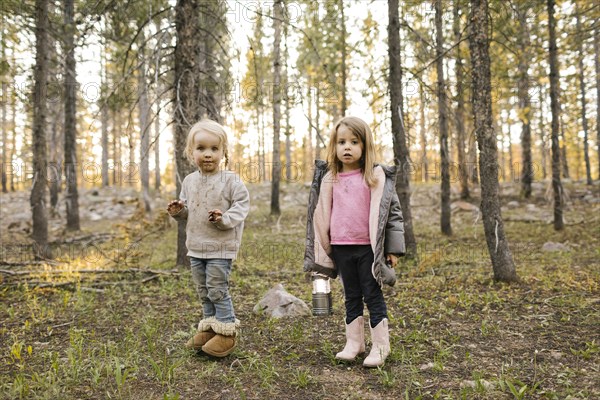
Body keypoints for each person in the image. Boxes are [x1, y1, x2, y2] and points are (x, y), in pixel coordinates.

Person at [304, 116, 405, 367]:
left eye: (353, 141)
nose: (346, 147)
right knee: (351, 295)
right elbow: (319, 212)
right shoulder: (330, 177)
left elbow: (392, 214)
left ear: (364, 146)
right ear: (334, 146)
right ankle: (354, 343)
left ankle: (381, 346)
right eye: (341, 142)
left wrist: (392, 249)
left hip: (369, 248)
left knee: (372, 294)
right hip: (340, 246)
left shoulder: (375, 176)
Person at [167, 119, 249, 358]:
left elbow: (242, 207)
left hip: (220, 247)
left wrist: (223, 219)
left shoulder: (231, 180)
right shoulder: (190, 181)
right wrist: (178, 211)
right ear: (190, 152)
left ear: (224, 152)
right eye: (201, 148)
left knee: (216, 288)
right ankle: (210, 325)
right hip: (195, 246)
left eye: (214, 149)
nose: (208, 154)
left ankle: (227, 331)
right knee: (203, 289)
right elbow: (187, 212)